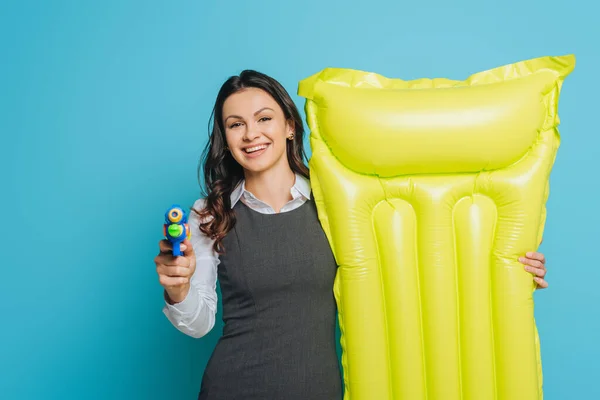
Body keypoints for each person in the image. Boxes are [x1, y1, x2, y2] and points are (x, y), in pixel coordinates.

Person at [153, 70, 550, 399]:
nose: (250, 134)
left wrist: (506, 267)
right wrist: (178, 287)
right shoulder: (209, 213)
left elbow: (414, 256)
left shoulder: (337, 200)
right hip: (233, 387)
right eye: (235, 125)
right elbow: (199, 323)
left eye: (264, 119)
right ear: (226, 138)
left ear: (290, 126)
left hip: (320, 389)